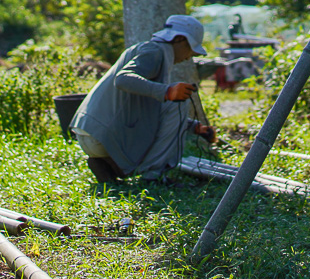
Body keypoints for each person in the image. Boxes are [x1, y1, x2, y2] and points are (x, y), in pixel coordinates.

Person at [70, 14, 217, 183]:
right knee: (178, 103)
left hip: (91, 134)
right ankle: (152, 176)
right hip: (102, 134)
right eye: (191, 49)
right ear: (179, 39)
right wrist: (168, 92)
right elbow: (123, 79)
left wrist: (193, 127)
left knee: (171, 103)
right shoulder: (154, 52)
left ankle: (109, 166)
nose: (190, 56)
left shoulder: (149, 51)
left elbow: (153, 107)